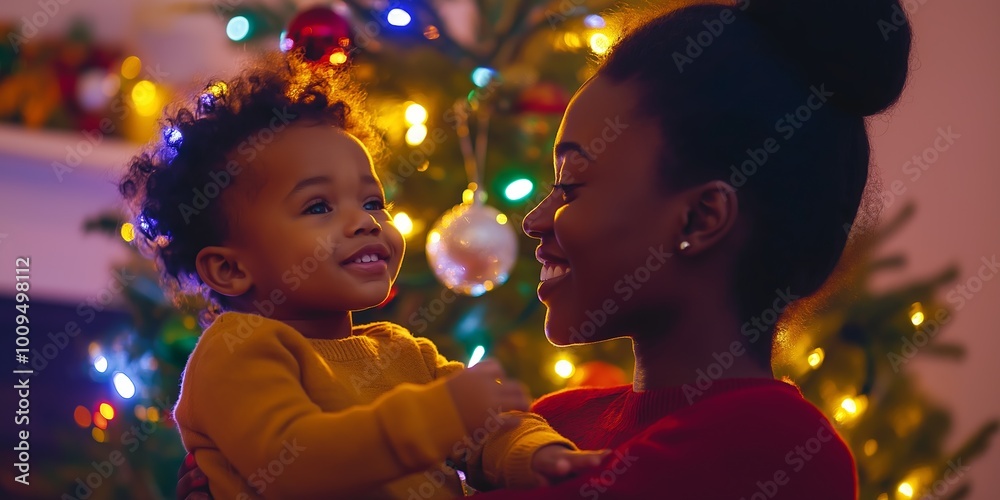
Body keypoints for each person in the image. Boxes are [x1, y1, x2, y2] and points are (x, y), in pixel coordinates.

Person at [178, 0, 912, 497]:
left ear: (701, 217)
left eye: (572, 182)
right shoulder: (559, 421)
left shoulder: (773, 447)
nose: (533, 219)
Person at [119, 53, 608, 499]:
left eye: (373, 202)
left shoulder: (404, 353)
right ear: (230, 268)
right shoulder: (237, 350)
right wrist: (442, 415)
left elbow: (493, 430)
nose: (365, 222)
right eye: (318, 206)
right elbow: (297, 464)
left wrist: (542, 456)